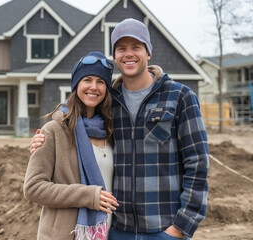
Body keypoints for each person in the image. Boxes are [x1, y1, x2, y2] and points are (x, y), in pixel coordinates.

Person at [30, 18, 209, 240]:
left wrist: (182, 226)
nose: (129, 54)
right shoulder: (108, 103)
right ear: (115, 56)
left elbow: (198, 163)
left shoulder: (180, 97)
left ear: (148, 52)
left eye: (136, 47)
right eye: (121, 48)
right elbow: (73, 115)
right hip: (116, 229)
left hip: (163, 228)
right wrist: (41, 139)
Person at [23, 51, 119, 240]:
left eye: (101, 82)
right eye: (87, 80)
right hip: (63, 235)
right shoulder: (54, 130)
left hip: (106, 233)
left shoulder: (112, 131)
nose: (94, 87)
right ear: (76, 85)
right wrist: (88, 195)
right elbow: (33, 188)